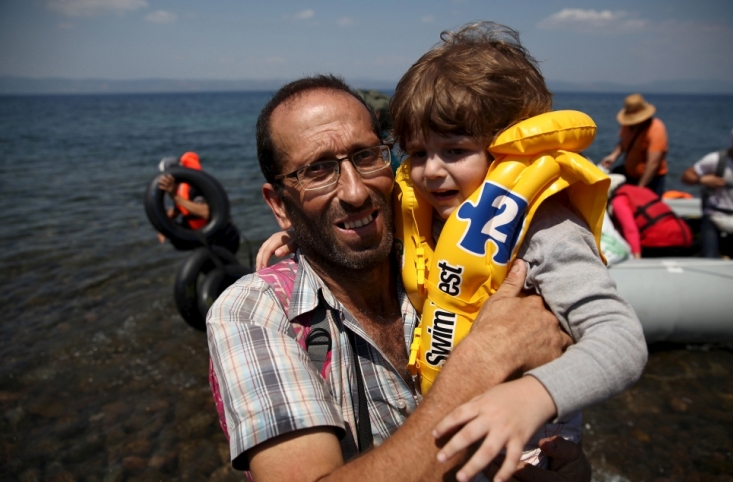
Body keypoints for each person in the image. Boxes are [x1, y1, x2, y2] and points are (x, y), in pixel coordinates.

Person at [253, 23, 646, 481]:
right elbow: (362, 211)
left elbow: (622, 340)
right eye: (417, 153)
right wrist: (302, 234)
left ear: (507, 151)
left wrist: (533, 396)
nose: (431, 173)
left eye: (455, 150)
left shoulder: (546, 228)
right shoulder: (430, 212)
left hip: (526, 451)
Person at [207, 75, 592, 481]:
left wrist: (571, 470)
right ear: (279, 205)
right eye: (317, 170)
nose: (355, 192)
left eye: (367, 156)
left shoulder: (451, 252)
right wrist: (483, 361)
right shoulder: (255, 313)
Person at [681, 120, 733, 259]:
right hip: (715, 217)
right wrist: (702, 180)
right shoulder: (716, 160)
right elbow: (686, 176)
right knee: (709, 261)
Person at [156, 151, 241, 254]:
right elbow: (176, 211)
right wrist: (162, 227)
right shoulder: (180, 190)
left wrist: (176, 197)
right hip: (205, 240)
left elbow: (206, 212)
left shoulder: (193, 188)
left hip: (223, 239)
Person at [607, 174, 693, 259]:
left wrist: (636, 256)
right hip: (685, 236)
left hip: (660, 241)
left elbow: (630, 230)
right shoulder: (643, 190)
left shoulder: (619, 199)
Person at [600, 93, 669, 196]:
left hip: (651, 180)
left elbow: (653, 163)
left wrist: (641, 187)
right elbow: (623, 142)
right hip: (629, 175)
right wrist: (613, 156)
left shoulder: (656, 129)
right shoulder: (627, 126)